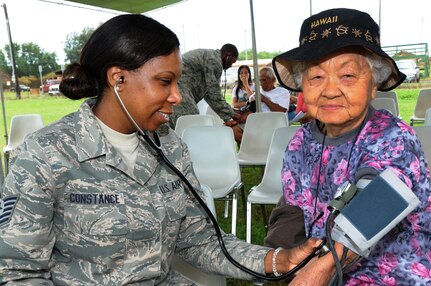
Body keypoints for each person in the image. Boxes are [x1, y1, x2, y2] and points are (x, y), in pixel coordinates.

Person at [0, 14, 321, 285]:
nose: (177, 97)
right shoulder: (46, 153)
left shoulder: (170, 146)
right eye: (165, 81)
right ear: (118, 78)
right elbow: (16, 270)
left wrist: (279, 259)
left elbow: (201, 241)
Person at [266, 8, 431, 285]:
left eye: (348, 76)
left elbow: (373, 210)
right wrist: (280, 258)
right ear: (302, 86)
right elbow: (292, 209)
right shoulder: (299, 142)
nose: (330, 90)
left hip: (391, 274)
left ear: (373, 85)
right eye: (316, 77)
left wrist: (319, 271)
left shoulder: (394, 137)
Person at [169, 43, 239, 128]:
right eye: (233, 61)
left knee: (181, 124)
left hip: (175, 88)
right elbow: (213, 93)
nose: (231, 65)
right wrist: (232, 114)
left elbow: (208, 95)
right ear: (227, 55)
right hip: (178, 89)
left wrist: (228, 116)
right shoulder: (214, 61)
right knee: (190, 119)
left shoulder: (210, 56)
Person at [231, 65, 255, 143]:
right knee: (235, 131)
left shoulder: (254, 86)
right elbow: (234, 104)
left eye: (246, 73)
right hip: (240, 115)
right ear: (239, 75)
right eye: (241, 73)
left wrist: (246, 85)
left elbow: (254, 99)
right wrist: (247, 103)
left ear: (249, 74)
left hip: (252, 115)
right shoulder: (236, 89)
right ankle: (244, 146)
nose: (243, 75)